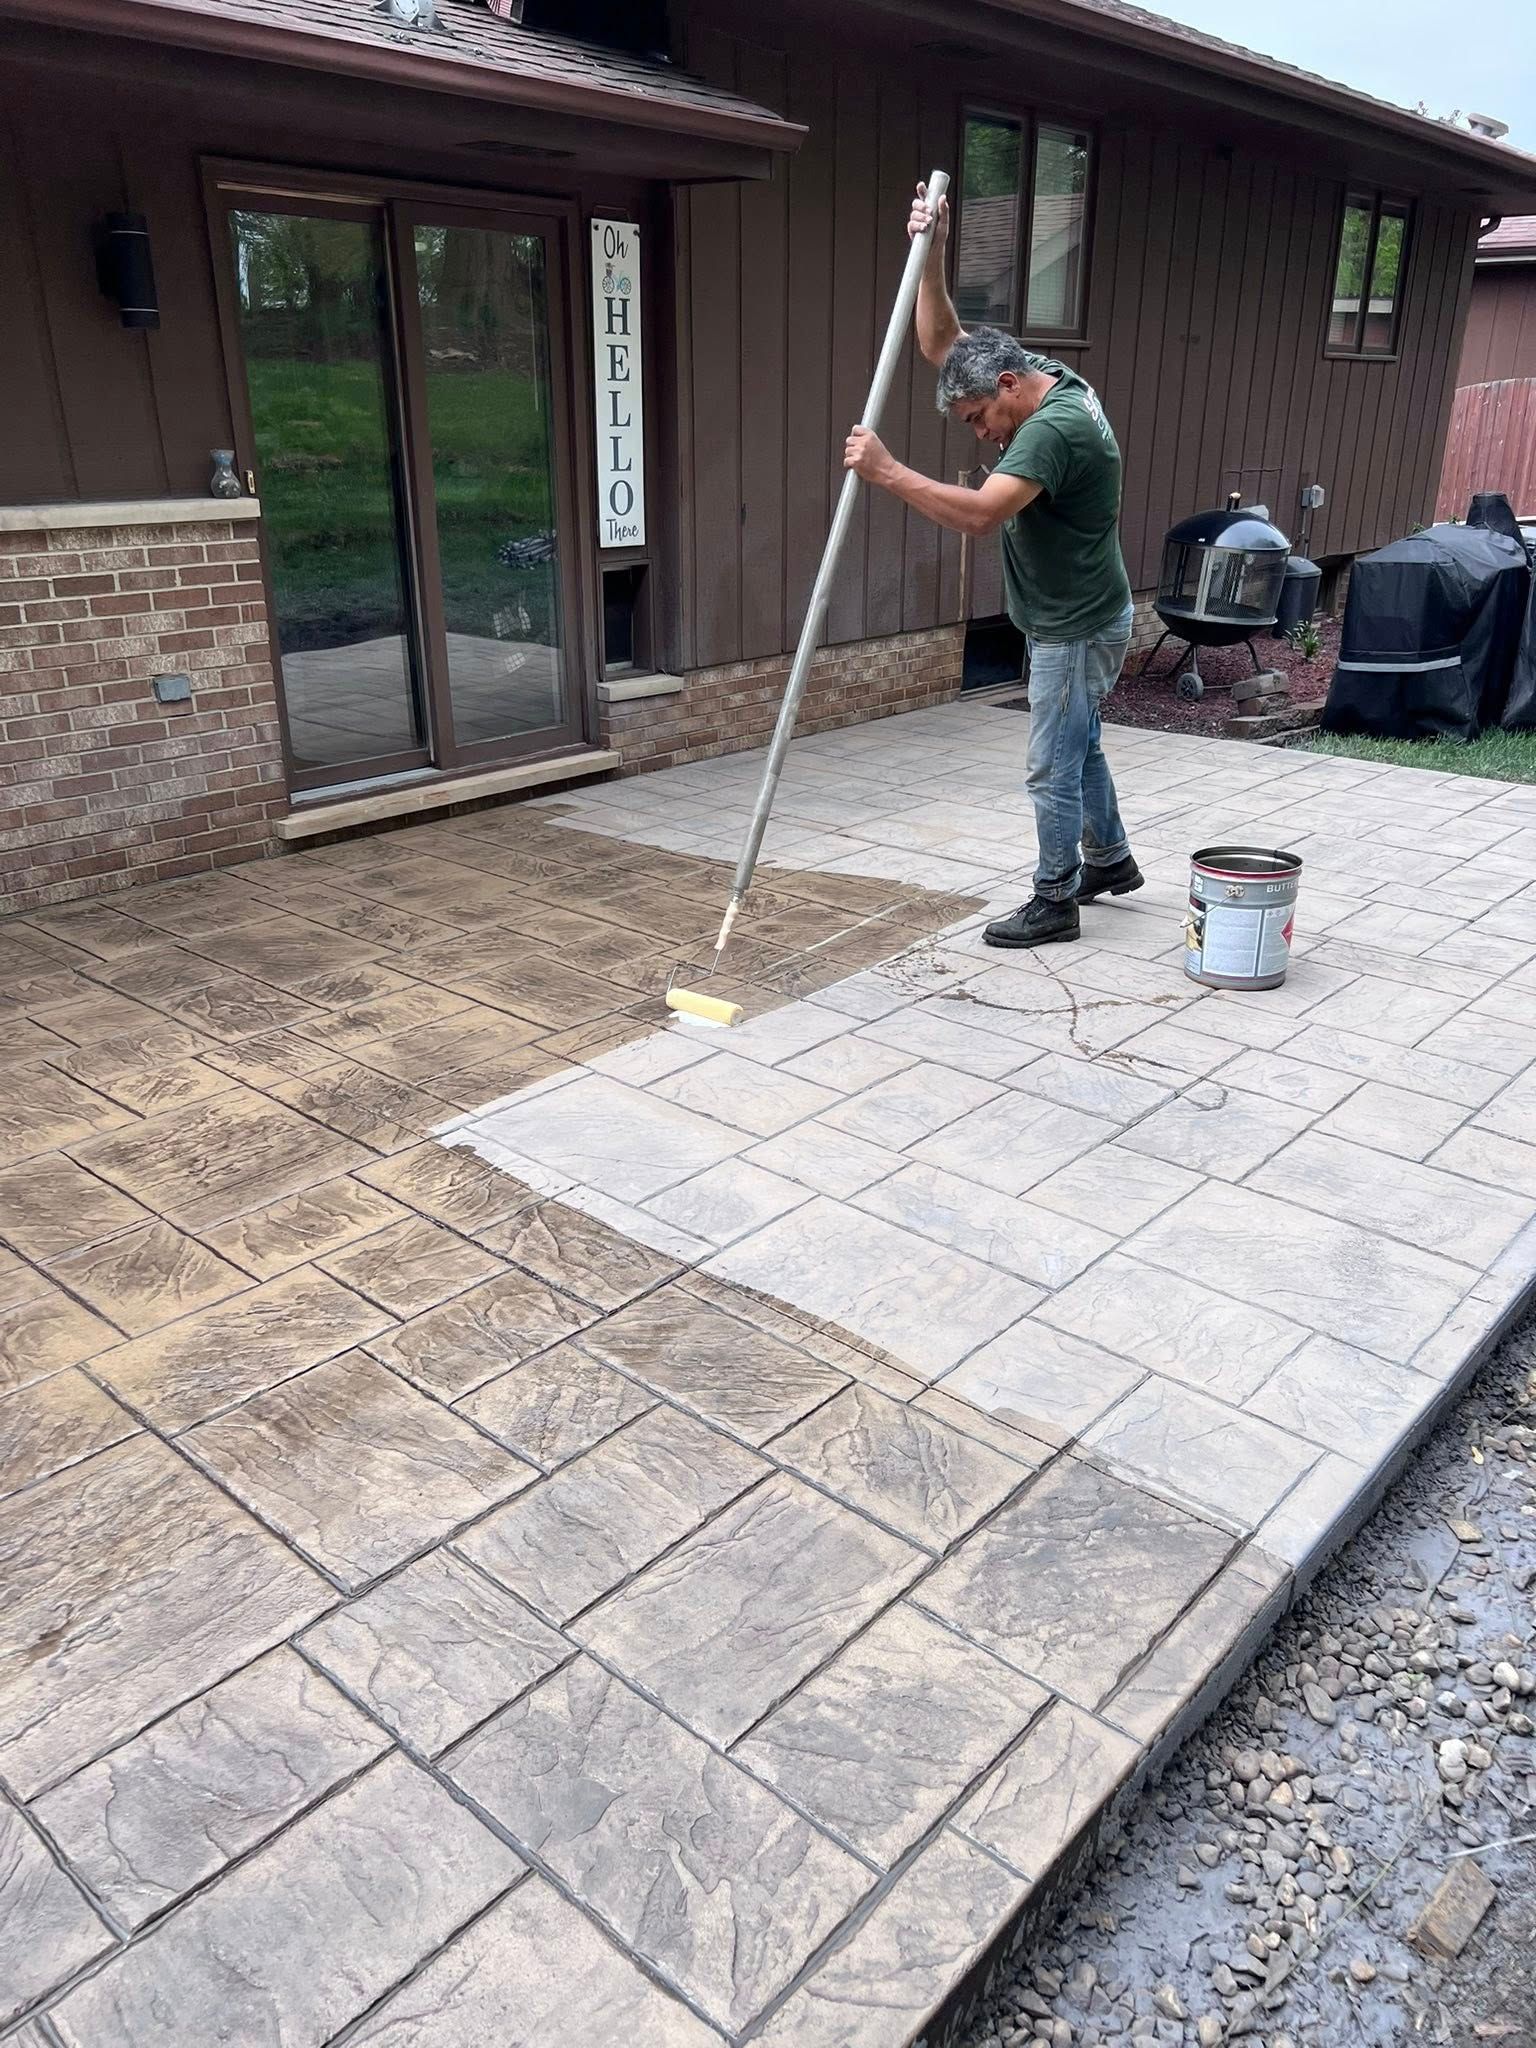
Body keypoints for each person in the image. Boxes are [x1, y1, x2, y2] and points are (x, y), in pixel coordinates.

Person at [843, 181, 1141, 948]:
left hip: (1075, 622)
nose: (980, 434)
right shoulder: (1035, 376)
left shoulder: (1054, 432)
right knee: (1081, 740)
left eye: (979, 418)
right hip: (1079, 607)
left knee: (1052, 764)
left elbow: (978, 516)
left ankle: (1055, 900)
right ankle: (1108, 860)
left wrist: (888, 473)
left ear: (1009, 388)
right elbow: (944, 344)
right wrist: (935, 247)